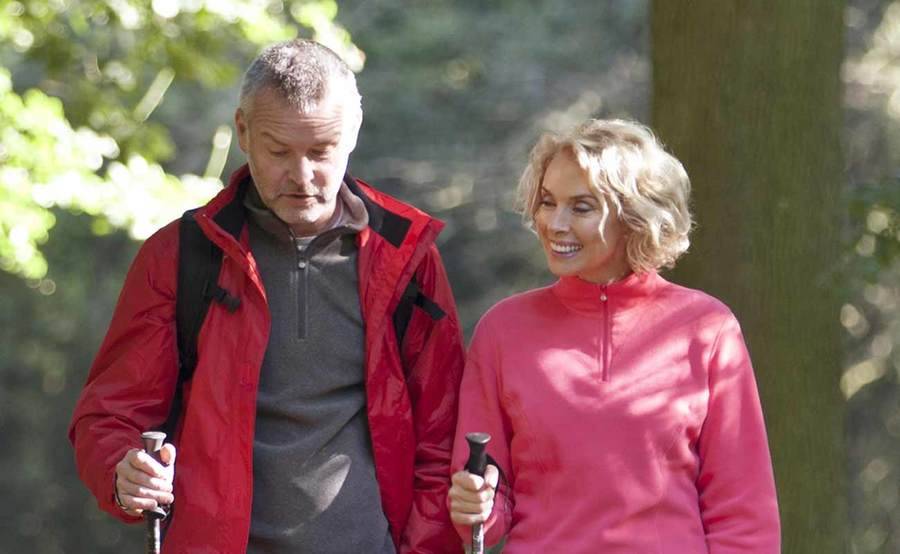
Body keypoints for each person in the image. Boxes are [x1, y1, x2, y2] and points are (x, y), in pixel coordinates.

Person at [69, 39, 465, 553]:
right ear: (242, 132)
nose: (302, 177)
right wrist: (123, 472)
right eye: (279, 151)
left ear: (353, 135)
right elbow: (110, 416)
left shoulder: (407, 258)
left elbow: (444, 435)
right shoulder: (181, 256)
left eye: (321, 152)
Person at [447, 119, 781, 553]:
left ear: (634, 216)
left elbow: (744, 516)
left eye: (581, 207)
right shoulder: (502, 330)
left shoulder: (707, 328)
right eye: (548, 202)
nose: (556, 223)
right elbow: (483, 521)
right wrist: (476, 507)